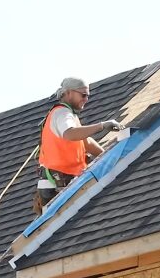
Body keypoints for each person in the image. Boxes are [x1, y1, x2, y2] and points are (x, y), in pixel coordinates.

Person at [34, 77, 123, 214]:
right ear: (69, 93)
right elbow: (70, 134)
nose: (86, 99)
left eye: (88, 95)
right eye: (83, 95)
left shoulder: (68, 115)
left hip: (63, 182)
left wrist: (109, 156)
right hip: (58, 185)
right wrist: (102, 126)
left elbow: (85, 142)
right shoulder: (62, 113)